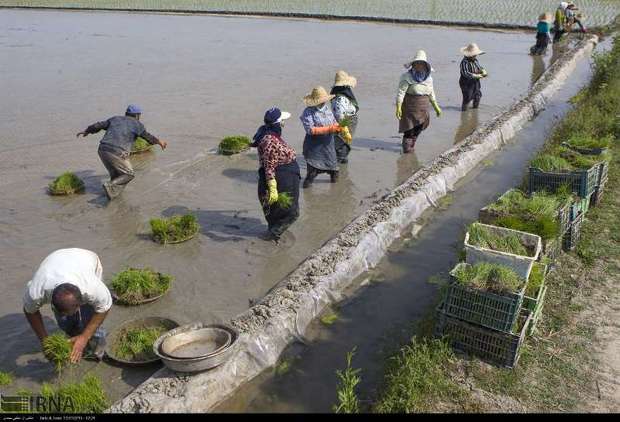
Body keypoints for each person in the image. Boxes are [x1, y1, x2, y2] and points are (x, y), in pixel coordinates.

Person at [23, 248, 112, 363]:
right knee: (66, 323)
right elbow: (30, 311)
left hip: (85, 258)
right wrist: (44, 341)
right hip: (54, 261)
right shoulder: (36, 292)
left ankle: (97, 348)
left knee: (89, 319)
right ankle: (75, 340)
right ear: (53, 304)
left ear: (80, 303)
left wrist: (85, 337)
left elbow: (104, 308)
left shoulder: (93, 288)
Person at [76, 104, 168, 200]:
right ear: (137, 116)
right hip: (117, 152)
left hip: (102, 149)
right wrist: (159, 141)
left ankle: (112, 197)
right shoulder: (137, 124)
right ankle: (109, 185)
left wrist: (87, 131)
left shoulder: (115, 119)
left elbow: (98, 125)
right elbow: (147, 137)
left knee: (116, 175)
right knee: (129, 174)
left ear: (126, 114)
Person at [252, 107, 301, 241]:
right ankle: (272, 234)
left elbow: (256, 145)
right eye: (282, 121)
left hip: (285, 173)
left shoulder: (264, 132)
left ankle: (273, 231)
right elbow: (269, 166)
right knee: (292, 212)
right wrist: (273, 188)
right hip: (283, 176)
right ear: (277, 124)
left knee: (277, 211)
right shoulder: (270, 141)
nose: (283, 124)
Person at [395, 50, 442, 153]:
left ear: (425, 65)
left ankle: (412, 142)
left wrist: (436, 107)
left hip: (423, 108)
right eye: (417, 63)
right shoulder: (406, 77)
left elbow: (431, 93)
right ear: (413, 64)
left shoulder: (428, 78)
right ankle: (407, 151)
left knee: (419, 127)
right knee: (409, 130)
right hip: (409, 108)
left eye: (421, 63)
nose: (419, 65)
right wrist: (398, 106)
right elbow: (401, 92)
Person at [300, 86, 347, 188]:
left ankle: (335, 193)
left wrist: (340, 128)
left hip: (328, 146)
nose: (324, 102)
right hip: (314, 147)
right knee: (311, 175)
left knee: (334, 171)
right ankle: (307, 194)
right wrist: (330, 129)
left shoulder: (327, 109)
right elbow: (310, 130)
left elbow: (334, 122)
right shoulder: (308, 112)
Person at [330, 70, 358, 164]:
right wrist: (345, 130)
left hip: (345, 119)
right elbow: (340, 116)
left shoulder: (340, 94)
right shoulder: (340, 99)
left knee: (343, 141)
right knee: (343, 141)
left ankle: (343, 159)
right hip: (345, 120)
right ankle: (338, 162)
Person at [459, 43, 488, 111]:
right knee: (467, 97)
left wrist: (483, 71)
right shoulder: (464, 62)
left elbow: (479, 67)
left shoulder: (475, 61)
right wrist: (476, 75)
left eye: (476, 55)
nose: (475, 56)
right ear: (469, 54)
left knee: (477, 95)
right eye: (474, 55)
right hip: (466, 83)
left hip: (475, 82)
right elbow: (465, 73)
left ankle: (475, 108)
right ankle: (464, 111)